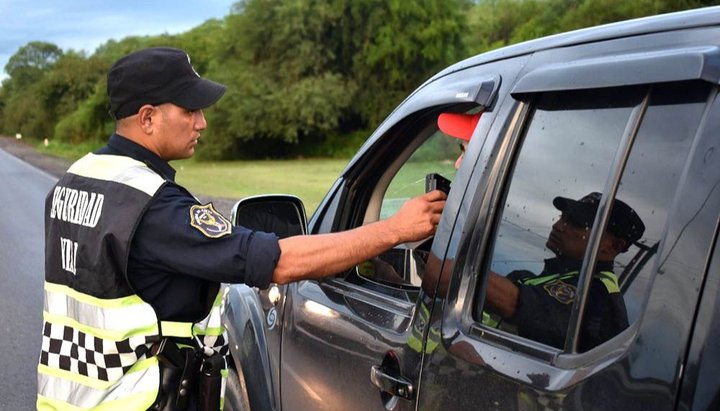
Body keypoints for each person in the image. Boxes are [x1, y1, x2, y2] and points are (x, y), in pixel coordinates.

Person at [38, 47, 446, 411]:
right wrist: (395, 229)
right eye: (189, 110)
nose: (202, 123)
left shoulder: (77, 179)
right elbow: (279, 263)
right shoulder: (153, 207)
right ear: (148, 117)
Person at [437, 111, 645, 351]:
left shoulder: (598, 300)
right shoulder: (545, 276)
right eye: (562, 217)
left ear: (613, 246)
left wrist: (446, 269)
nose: (558, 225)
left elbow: (518, 302)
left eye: (576, 223)